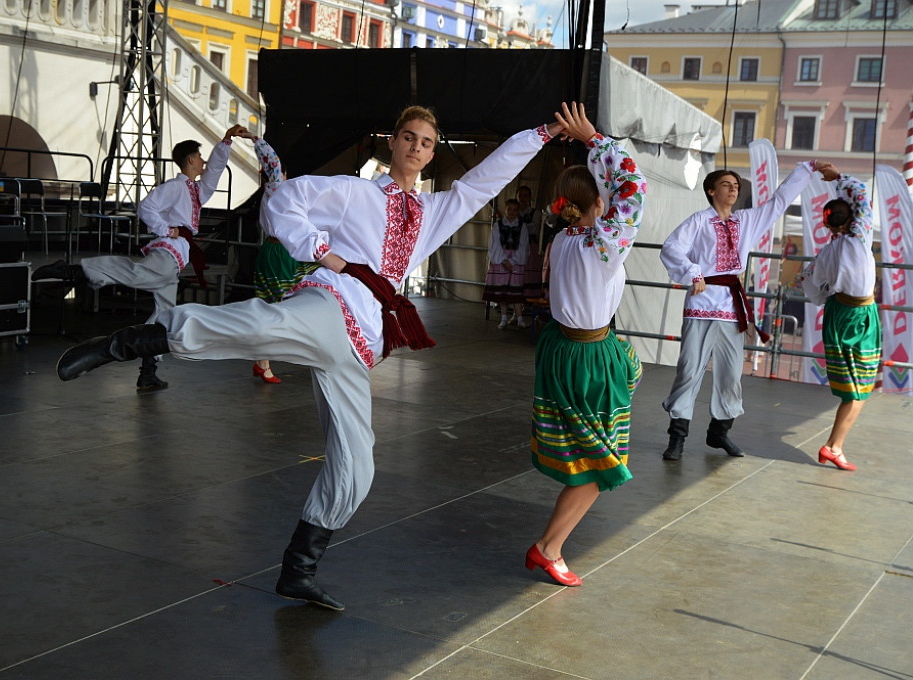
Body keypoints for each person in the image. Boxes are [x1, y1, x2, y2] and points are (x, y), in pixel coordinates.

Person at [54, 102, 576, 611]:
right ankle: (127, 343)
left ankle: (298, 570)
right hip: (332, 302)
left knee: (358, 467)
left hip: (360, 342)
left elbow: (486, 178)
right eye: (410, 138)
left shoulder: (436, 210)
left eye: (428, 142)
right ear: (392, 143)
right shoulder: (354, 192)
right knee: (258, 325)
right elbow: (284, 200)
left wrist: (543, 135)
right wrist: (320, 249)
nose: (418, 148)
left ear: (433, 152)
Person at [33, 125, 251, 391]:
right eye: (200, 156)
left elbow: (214, 172)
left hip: (175, 263)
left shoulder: (196, 191)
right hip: (166, 254)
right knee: (137, 274)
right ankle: (75, 271)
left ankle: (148, 372)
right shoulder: (174, 187)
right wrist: (166, 229)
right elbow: (146, 207)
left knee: (164, 317)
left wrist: (226, 141)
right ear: (191, 160)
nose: (204, 161)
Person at [525, 103, 645, 587]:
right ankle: (547, 548)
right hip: (589, 359)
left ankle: (549, 548)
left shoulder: (563, 241)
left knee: (586, 460)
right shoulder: (602, 245)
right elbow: (634, 191)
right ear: (599, 202)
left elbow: (622, 195)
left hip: (560, 348)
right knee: (600, 466)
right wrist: (597, 140)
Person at [658, 159, 829, 461]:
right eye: (726, 184)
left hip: (731, 308)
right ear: (711, 191)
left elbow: (778, 202)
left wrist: (807, 168)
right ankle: (677, 437)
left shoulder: (746, 221)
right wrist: (693, 272)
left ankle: (719, 432)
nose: (733, 189)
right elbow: (672, 247)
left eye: (736, 185)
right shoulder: (698, 221)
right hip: (701, 304)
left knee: (731, 373)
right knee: (688, 370)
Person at [800, 165, 877, 471]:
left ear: (828, 225)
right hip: (859, 314)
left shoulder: (826, 252)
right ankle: (834, 446)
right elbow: (862, 196)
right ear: (854, 220)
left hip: (837, 313)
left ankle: (835, 446)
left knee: (854, 389)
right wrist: (838, 176)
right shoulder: (860, 236)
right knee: (860, 389)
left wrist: (828, 295)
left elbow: (811, 285)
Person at [250, 136, 318, 384]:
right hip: (280, 255)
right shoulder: (276, 189)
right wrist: (255, 139)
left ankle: (263, 361)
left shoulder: (275, 195)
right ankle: (304, 350)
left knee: (272, 307)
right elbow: (274, 165)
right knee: (284, 306)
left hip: (275, 251)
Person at [483, 198, 529, 329]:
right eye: (509, 209)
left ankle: (519, 318)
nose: (512, 212)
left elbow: (523, 246)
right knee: (502, 292)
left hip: (516, 261)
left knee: (515, 291)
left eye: (515, 210)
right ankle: (503, 317)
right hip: (501, 260)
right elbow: (494, 244)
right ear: (505, 209)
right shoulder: (498, 225)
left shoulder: (522, 226)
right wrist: (504, 260)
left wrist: (513, 261)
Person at [517, 185, 545, 299]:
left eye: (525, 195)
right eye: (520, 195)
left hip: (529, 246)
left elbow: (534, 228)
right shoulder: (513, 211)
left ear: (530, 197)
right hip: (515, 247)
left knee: (528, 274)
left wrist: (520, 226)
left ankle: (526, 301)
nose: (523, 198)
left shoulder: (535, 213)